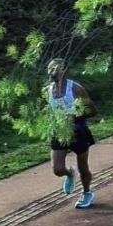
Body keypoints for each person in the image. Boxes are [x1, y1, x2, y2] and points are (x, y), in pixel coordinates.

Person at [45, 58, 97, 209]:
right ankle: (69, 174)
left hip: (78, 130)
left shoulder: (76, 89)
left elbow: (93, 110)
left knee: (83, 167)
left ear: (64, 71)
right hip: (59, 132)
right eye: (50, 69)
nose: (52, 72)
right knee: (58, 169)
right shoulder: (48, 90)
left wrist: (74, 117)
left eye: (56, 69)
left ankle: (87, 192)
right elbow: (51, 111)